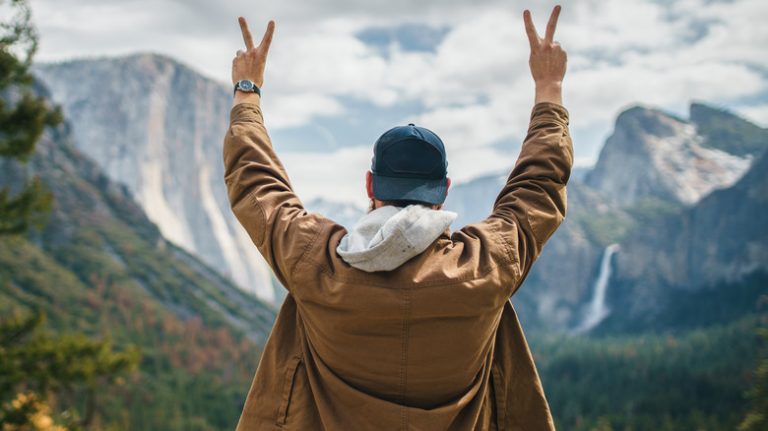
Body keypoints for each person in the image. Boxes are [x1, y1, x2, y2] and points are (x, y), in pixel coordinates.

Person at [224, 5, 571, 430]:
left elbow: (256, 186)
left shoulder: (315, 262)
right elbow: (539, 187)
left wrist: (247, 91)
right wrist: (549, 88)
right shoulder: (487, 266)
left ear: (370, 185)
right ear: (443, 193)